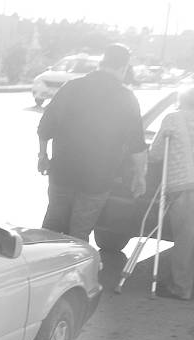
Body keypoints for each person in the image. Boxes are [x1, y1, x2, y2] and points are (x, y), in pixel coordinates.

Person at [37, 43, 147, 243]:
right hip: (97, 180)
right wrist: (140, 175)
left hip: (62, 171)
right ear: (123, 67)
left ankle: (44, 266)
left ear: (102, 62)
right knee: (79, 234)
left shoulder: (71, 87)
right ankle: (75, 268)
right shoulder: (126, 98)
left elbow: (45, 127)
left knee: (51, 228)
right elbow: (137, 144)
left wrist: (42, 155)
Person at [151, 86, 194, 299]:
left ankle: (181, 287)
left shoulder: (172, 118)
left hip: (184, 186)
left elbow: (156, 153)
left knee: (186, 239)